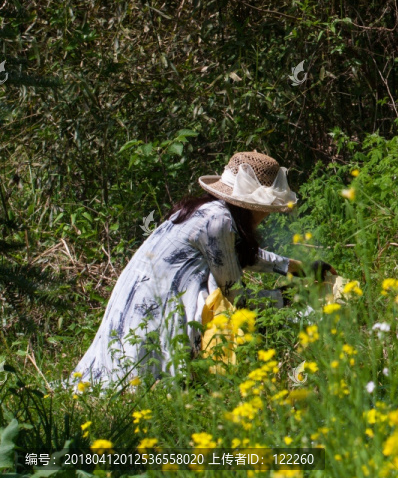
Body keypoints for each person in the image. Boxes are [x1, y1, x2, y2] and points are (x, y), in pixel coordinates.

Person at [71, 151, 331, 387]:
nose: (267, 215)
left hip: (133, 302)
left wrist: (296, 267)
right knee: (142, 383)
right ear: (250, 206)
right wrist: (287, 299)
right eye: (265, 209)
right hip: (152, 308)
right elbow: (232, 297)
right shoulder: (218, 221)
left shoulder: (206, 211)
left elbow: (235, 253)